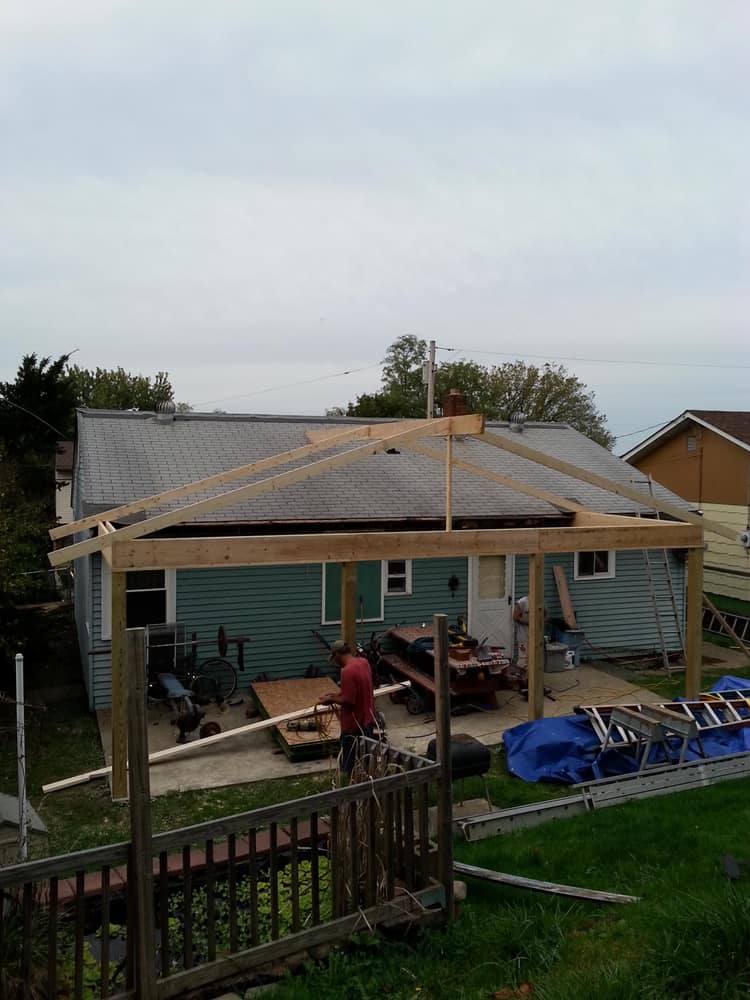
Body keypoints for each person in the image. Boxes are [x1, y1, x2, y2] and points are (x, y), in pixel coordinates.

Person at [319, 639, 376, 777]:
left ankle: (351, 786)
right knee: (365, 759)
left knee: (350, 764)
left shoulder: (347, 671)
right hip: (368, 720)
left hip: (354, 726)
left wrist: (331, 700)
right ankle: (366, 782)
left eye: (334, 658)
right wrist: (335, 694)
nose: (334, 662)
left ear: (337, 654)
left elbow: (349, 701)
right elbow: (356, 690)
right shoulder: (363, 663)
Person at [513, 595, 530, 674]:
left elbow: (546, 615)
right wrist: (528, 622)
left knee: (534, 658)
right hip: (523, 636)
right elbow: (515, 617)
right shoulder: (522, 602)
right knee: (523, 660)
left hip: (536, 637)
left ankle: (530, 678)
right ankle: (522, 678)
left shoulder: (540, 601)